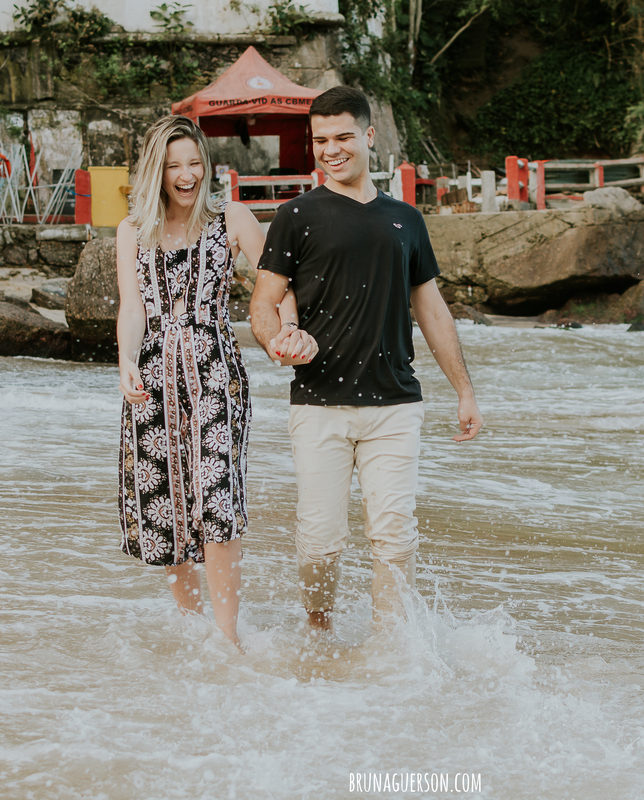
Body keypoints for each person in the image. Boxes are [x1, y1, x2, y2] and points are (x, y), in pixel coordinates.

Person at [249, 86, 483, 633]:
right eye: (321, 140)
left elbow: (432, 311)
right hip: (319, 404)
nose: (331, 149)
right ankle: (318, 630)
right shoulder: (295, 216)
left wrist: (464, 391)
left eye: (343, 137)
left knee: (395, 539)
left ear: (369, 137)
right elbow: (262, 302)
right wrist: (278, 340)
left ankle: (389, 648)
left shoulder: (406, 220)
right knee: (319, 544)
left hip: (395, 405)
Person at [115, 115, 317, 647]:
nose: (187, 175)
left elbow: (278, 287)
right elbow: (132, 307)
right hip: (154, 378)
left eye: (194, 162)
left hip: (215, 374)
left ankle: (227, 639)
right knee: (168, 503)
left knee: (216, 500)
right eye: (175, 165)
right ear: (157, 171)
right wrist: (126, 360)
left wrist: (288, 329)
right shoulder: (133, 230)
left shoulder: (233, 218)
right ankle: (191, 627)